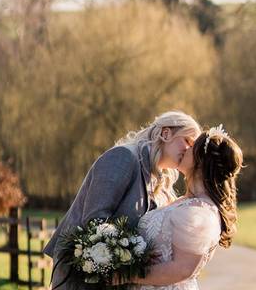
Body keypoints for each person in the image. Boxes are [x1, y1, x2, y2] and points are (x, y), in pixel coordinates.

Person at [44, 111, 202, 289]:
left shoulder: (159, 179)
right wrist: (134, 256)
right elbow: (95, 221)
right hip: (84, 279)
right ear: (166, 133)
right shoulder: (123, 157)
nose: (190, 150)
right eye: (187, 141)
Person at [128, 125, 243, 290]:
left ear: (200, 160)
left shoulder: (199, 212)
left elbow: (183, 269)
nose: (186, 149)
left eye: (192, 146)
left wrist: (125, 275)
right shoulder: (184, 202)